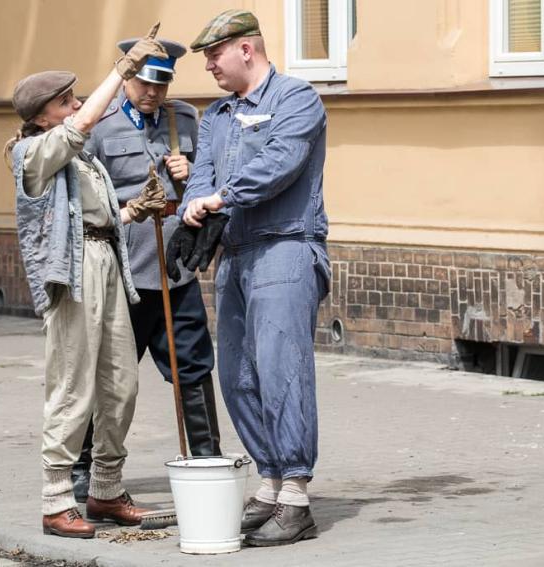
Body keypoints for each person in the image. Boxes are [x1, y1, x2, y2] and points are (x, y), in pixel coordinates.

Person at [170, 9, 331, 547]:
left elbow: (283, 161)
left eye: (214, 54)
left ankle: (297, 495)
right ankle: (270, 482)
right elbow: (201, 175)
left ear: (247, 49)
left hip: (286, 248)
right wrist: (193, 205)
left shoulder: (296, 98)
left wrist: (222, 196)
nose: (209, 65)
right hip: (235, 253)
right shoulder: (215, 116)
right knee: (237, 373)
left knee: (282, 367)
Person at [5, 23, 168, 539]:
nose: (76, 107)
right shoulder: (31, 152)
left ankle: (105, 489)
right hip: (71, 277)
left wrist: (135, 209)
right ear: (41, 116)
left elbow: (94, 218)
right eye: (66, 102)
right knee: (72, 386)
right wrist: (121, 72)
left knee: (120, 383)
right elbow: (85, 123)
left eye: (76, 98)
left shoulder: (80, 157)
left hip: (105, 262)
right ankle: (57, 501)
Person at [69, 34, 222, 501]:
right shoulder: (100, 125)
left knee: (194, 366)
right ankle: (84, 470)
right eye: (144, 82)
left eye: (162, 83)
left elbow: (205, 183)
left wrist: (189, 172)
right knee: (110, 374)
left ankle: (207, 461)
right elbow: (84, 196)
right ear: (127, 76)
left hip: (174, 270)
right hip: (122, 273)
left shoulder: (184, 120)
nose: (153, 92)